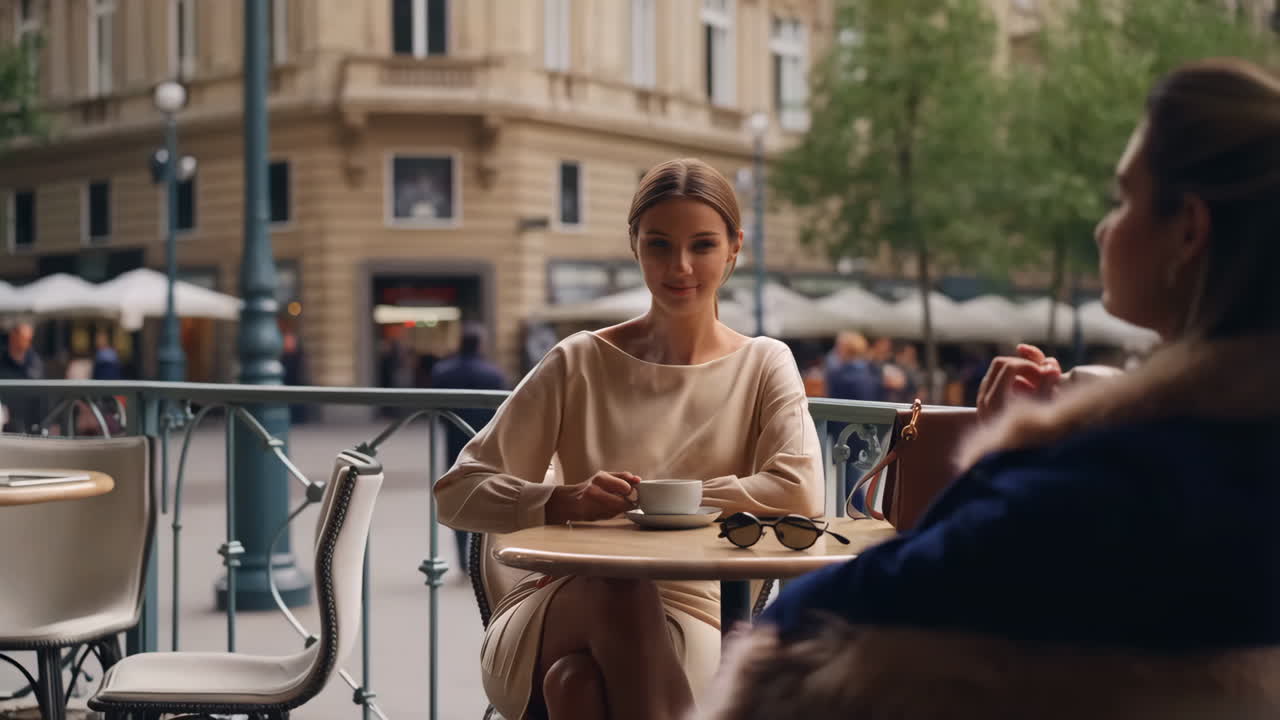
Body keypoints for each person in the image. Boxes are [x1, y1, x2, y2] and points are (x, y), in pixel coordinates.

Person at [700, 59, 1280, 720]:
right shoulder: (1234, 453)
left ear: (1189, 229)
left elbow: (819, 624)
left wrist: (1013, 455)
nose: (1104, 228)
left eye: (1123, 199)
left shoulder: (1106, 485)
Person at [434, 158, 824, 720]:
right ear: (634, 245)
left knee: (576, 687)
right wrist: (561, 500)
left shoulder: (765, 362)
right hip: (558, 604)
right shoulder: (578, 360)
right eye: (659, 244)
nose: (680, 266)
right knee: (617, 584)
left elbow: (800, 492)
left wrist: (662, 501)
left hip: (697, 615)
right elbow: (456, 493)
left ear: (734, 248)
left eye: (703, 245)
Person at [429, 323, 508, 578]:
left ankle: (463, 559)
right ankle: (481, 559)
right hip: (486, 445)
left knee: (456, 498)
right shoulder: (493, 374)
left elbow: (436, 409)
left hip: (455, 443)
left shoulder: (443, 371)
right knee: (486, 498)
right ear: (481, 345)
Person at [0, 320, 44, 433]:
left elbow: (43, 396)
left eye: (29, 339)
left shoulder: (35, 362)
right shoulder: (2, 361)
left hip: (31, 425)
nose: (27, 342)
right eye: (24, 338)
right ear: (13, 336)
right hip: (6, 425)